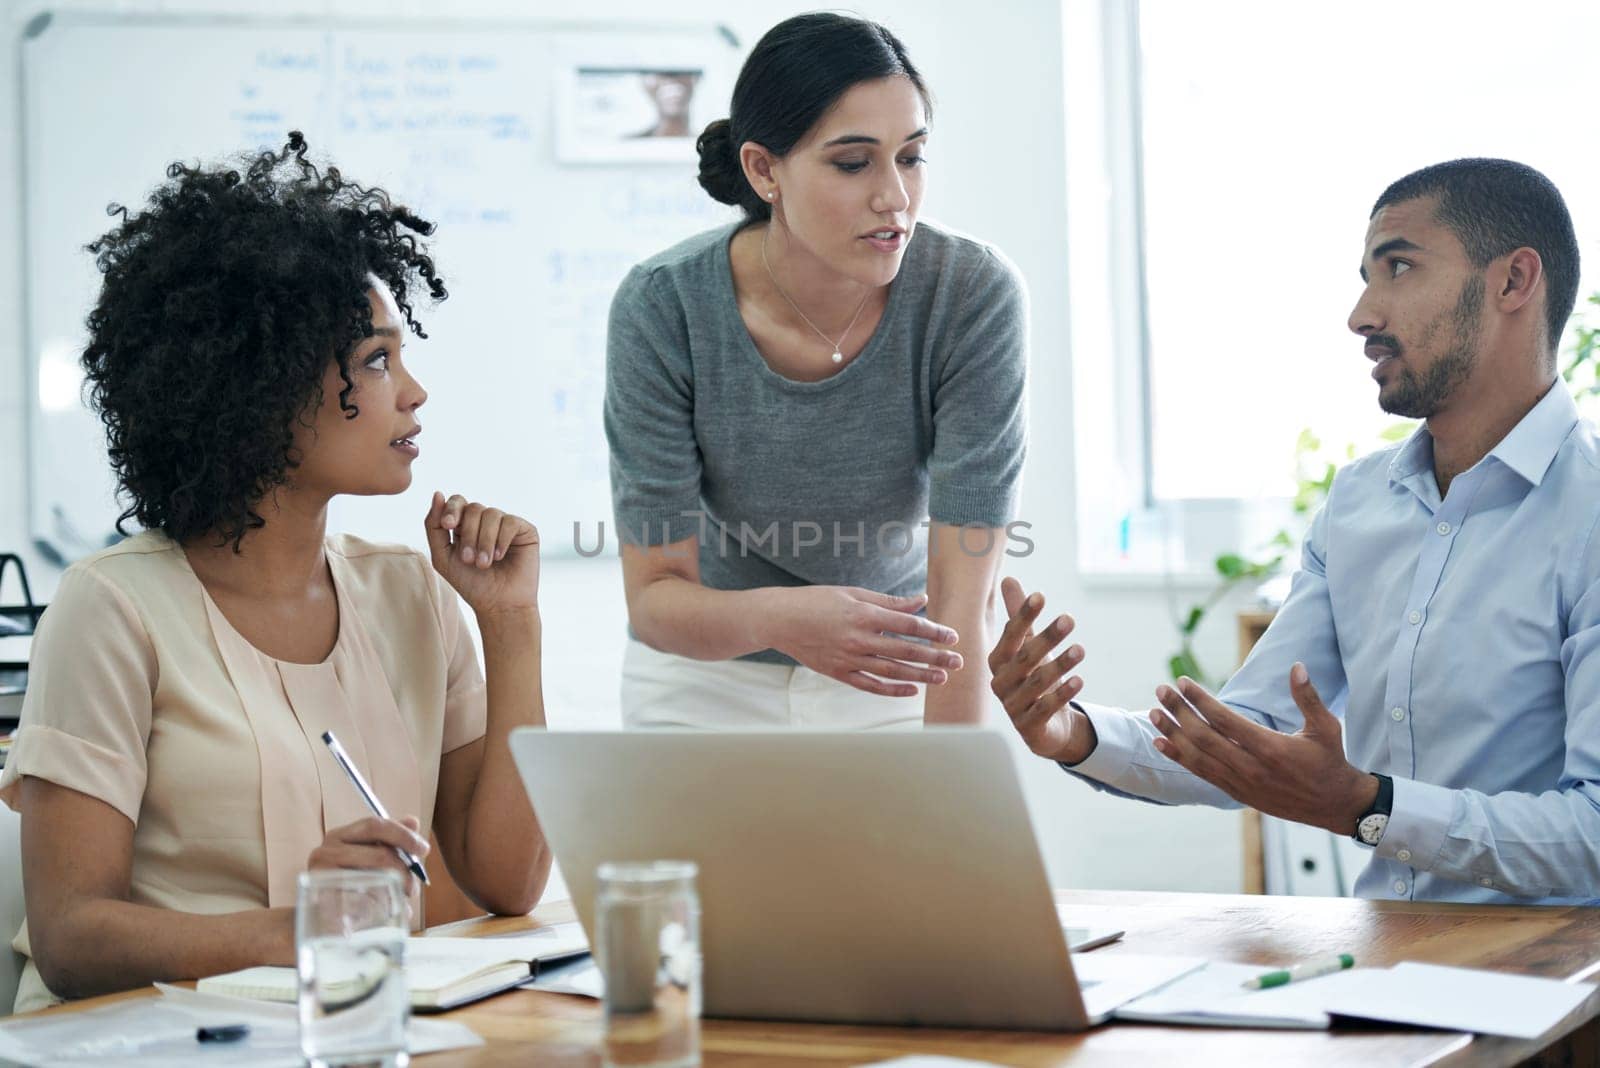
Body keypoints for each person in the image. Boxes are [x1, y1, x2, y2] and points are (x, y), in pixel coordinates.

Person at [0, 133, 551, 1013]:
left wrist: (510, 625)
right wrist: (304, 926)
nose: (414, 392)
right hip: (152, 1043)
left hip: (350, 1027)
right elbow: (71, 936)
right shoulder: (114, 607)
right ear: (263, 385)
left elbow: (510, 883)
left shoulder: (412, 594)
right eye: (376, 361)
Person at [991, 158, 1600, 904]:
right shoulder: (1358, 505)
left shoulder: (1589, 513)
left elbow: (1594, 833)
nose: (1362, 315)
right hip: (1383, 968)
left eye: (1398, 267)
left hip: (1553, 991)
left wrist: (1369, 807)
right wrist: (1070, 733)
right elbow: (1244, 740)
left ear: (1513, 282)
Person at [605, 12, 1028, 729]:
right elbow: (655, 600)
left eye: (912, 155)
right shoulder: (663, 305)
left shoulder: (970, 294)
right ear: (764, 169)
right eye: (853, 162)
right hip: (706, 673)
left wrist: (953, 791)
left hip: (897, 663)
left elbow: (962, 599)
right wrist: (784, 617)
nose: (894, 196)